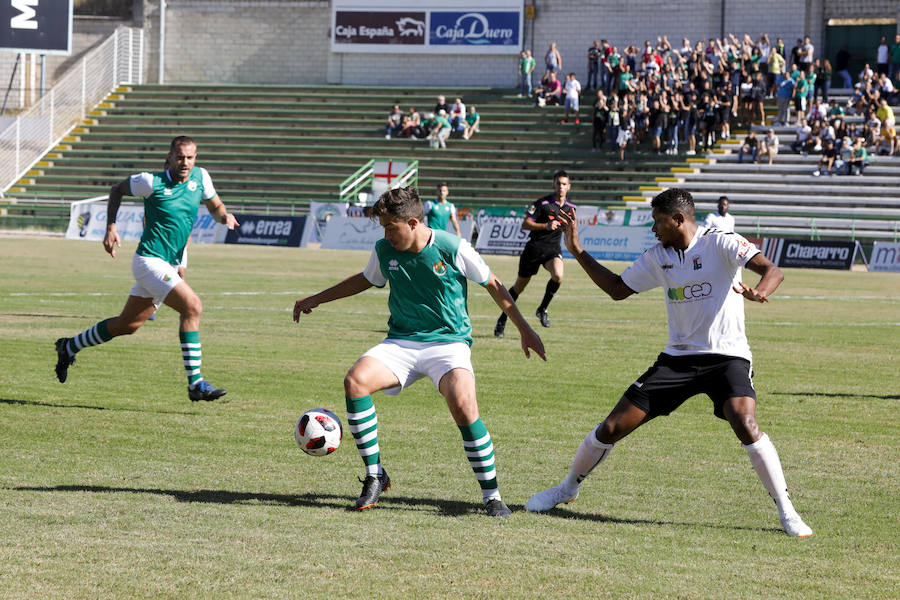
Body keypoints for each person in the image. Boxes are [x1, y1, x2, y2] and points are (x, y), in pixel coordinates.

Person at [524, 188, 813, 538]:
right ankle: (567, 488)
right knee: (612, 427)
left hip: (728, 357)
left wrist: (762, 290)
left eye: (658, 221)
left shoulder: (719, 242)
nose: (653, 228)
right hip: (678, 360)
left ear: (679, 219)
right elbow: (617, 289)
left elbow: (771, 270)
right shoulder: (657, 256)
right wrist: (578, 251)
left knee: (745, 421)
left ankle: (787, 511)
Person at [292, 186, 546, 516]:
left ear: (412, 222)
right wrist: (315, 299)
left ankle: (492, 496)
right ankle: (374, 476)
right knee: (356, 381)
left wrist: (525, 329)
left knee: (464, 406)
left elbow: (494, 285)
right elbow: (367, 279)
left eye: (390, 227)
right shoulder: (385, 249)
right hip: (402, 342)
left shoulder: (452, 246)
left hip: (449, 344)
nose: (385, 234)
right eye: (382, 227)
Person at [54, 136, 240, 401]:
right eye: (179, 156)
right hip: (149, 261)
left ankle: (68, 346)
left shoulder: (201, 178)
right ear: (169, 156)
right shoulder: (150, 181)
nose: (184, 162)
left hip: (169, 264)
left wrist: (224, 216)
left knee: (127, 325)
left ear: (195, 158)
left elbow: (215, 206)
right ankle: (196, 384)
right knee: (193, 307)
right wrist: (110, 227)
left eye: (190, 157)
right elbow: (116, 189)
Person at [494, 170, 575, 338]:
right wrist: (545, 225)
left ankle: (542, 309)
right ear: (554, 185)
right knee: (519, 287)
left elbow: (571, 229)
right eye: (558, 183)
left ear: (569, 187)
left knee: (558, 275)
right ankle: (502, 319)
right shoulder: (542, 203)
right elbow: (525, 224)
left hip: (552, 250)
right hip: (534, 249)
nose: (561, 187)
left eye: (564, 184)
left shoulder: (571, 208)